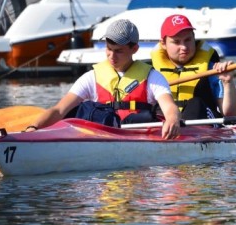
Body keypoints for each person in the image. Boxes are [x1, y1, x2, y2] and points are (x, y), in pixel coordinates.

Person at [26, 19, 182, 139]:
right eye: (109, 49)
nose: (111, 56)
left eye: (119, 51)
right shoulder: (91, 77)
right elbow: (59, 110)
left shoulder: (153, 77)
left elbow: (168, 106)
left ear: (134, 49)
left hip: (137, 136)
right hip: (99, 138)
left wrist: (172, 118)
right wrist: (33, 128)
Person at [151, 14, 236, 120]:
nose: (184, 47)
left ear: (194, 38)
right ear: (163, 44)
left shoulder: (212, 69)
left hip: (202, 124)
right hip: (164, 124)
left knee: (195, 104)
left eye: (188, 40)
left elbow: (231, 115)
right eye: (176, 42)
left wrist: (228, 82)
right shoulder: (152, 73)